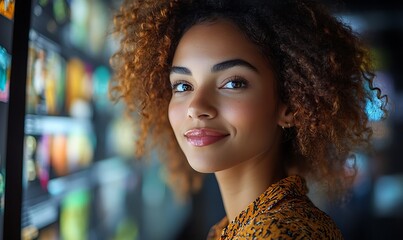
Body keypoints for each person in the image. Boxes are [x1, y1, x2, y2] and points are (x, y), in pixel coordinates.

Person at [110, 0, 388, 239]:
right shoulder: (242, 225)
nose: (196, 106)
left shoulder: (283, 232)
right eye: (183, 86)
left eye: (233, 83)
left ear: (290, 104)